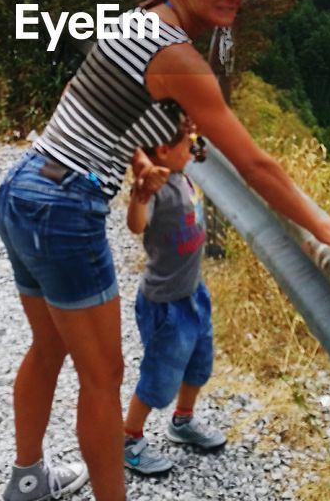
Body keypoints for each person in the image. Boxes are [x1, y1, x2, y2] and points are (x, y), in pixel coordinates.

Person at [0, 0, 330, 501]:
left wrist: (135, 161)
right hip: (65, 209)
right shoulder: (178, 58)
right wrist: (321, 224)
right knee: (103, 380)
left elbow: (102, 100)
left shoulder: (137, 20)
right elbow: (254, 165)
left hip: (24, 187)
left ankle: (29, 479)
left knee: (49, 348)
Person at [122, 118, 223, 477]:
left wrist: (193, 136)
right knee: (159, 375)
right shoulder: (155, 187)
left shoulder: (180, 169)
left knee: (199, 362)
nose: (192, 149)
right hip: (165, 304)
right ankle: (129, 439)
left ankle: (182, 422)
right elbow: (136, 224)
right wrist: (141, 194)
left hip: (194, 291)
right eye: (186, 145)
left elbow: (197, 147)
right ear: (164, 150)